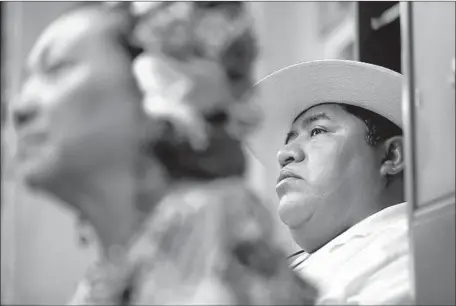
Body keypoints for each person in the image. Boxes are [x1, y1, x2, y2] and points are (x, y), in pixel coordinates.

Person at [13, 2, 316, 305]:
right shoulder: (115, 276)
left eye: (56, 69)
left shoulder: (218, 264)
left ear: (158, 88)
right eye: (29, 77)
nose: (19, 107)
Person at [248, 60, 413, 304]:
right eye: (288, 139)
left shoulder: (414, 251)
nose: (284, 154)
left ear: (392, 155)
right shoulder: (278, 268)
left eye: (317, 131)